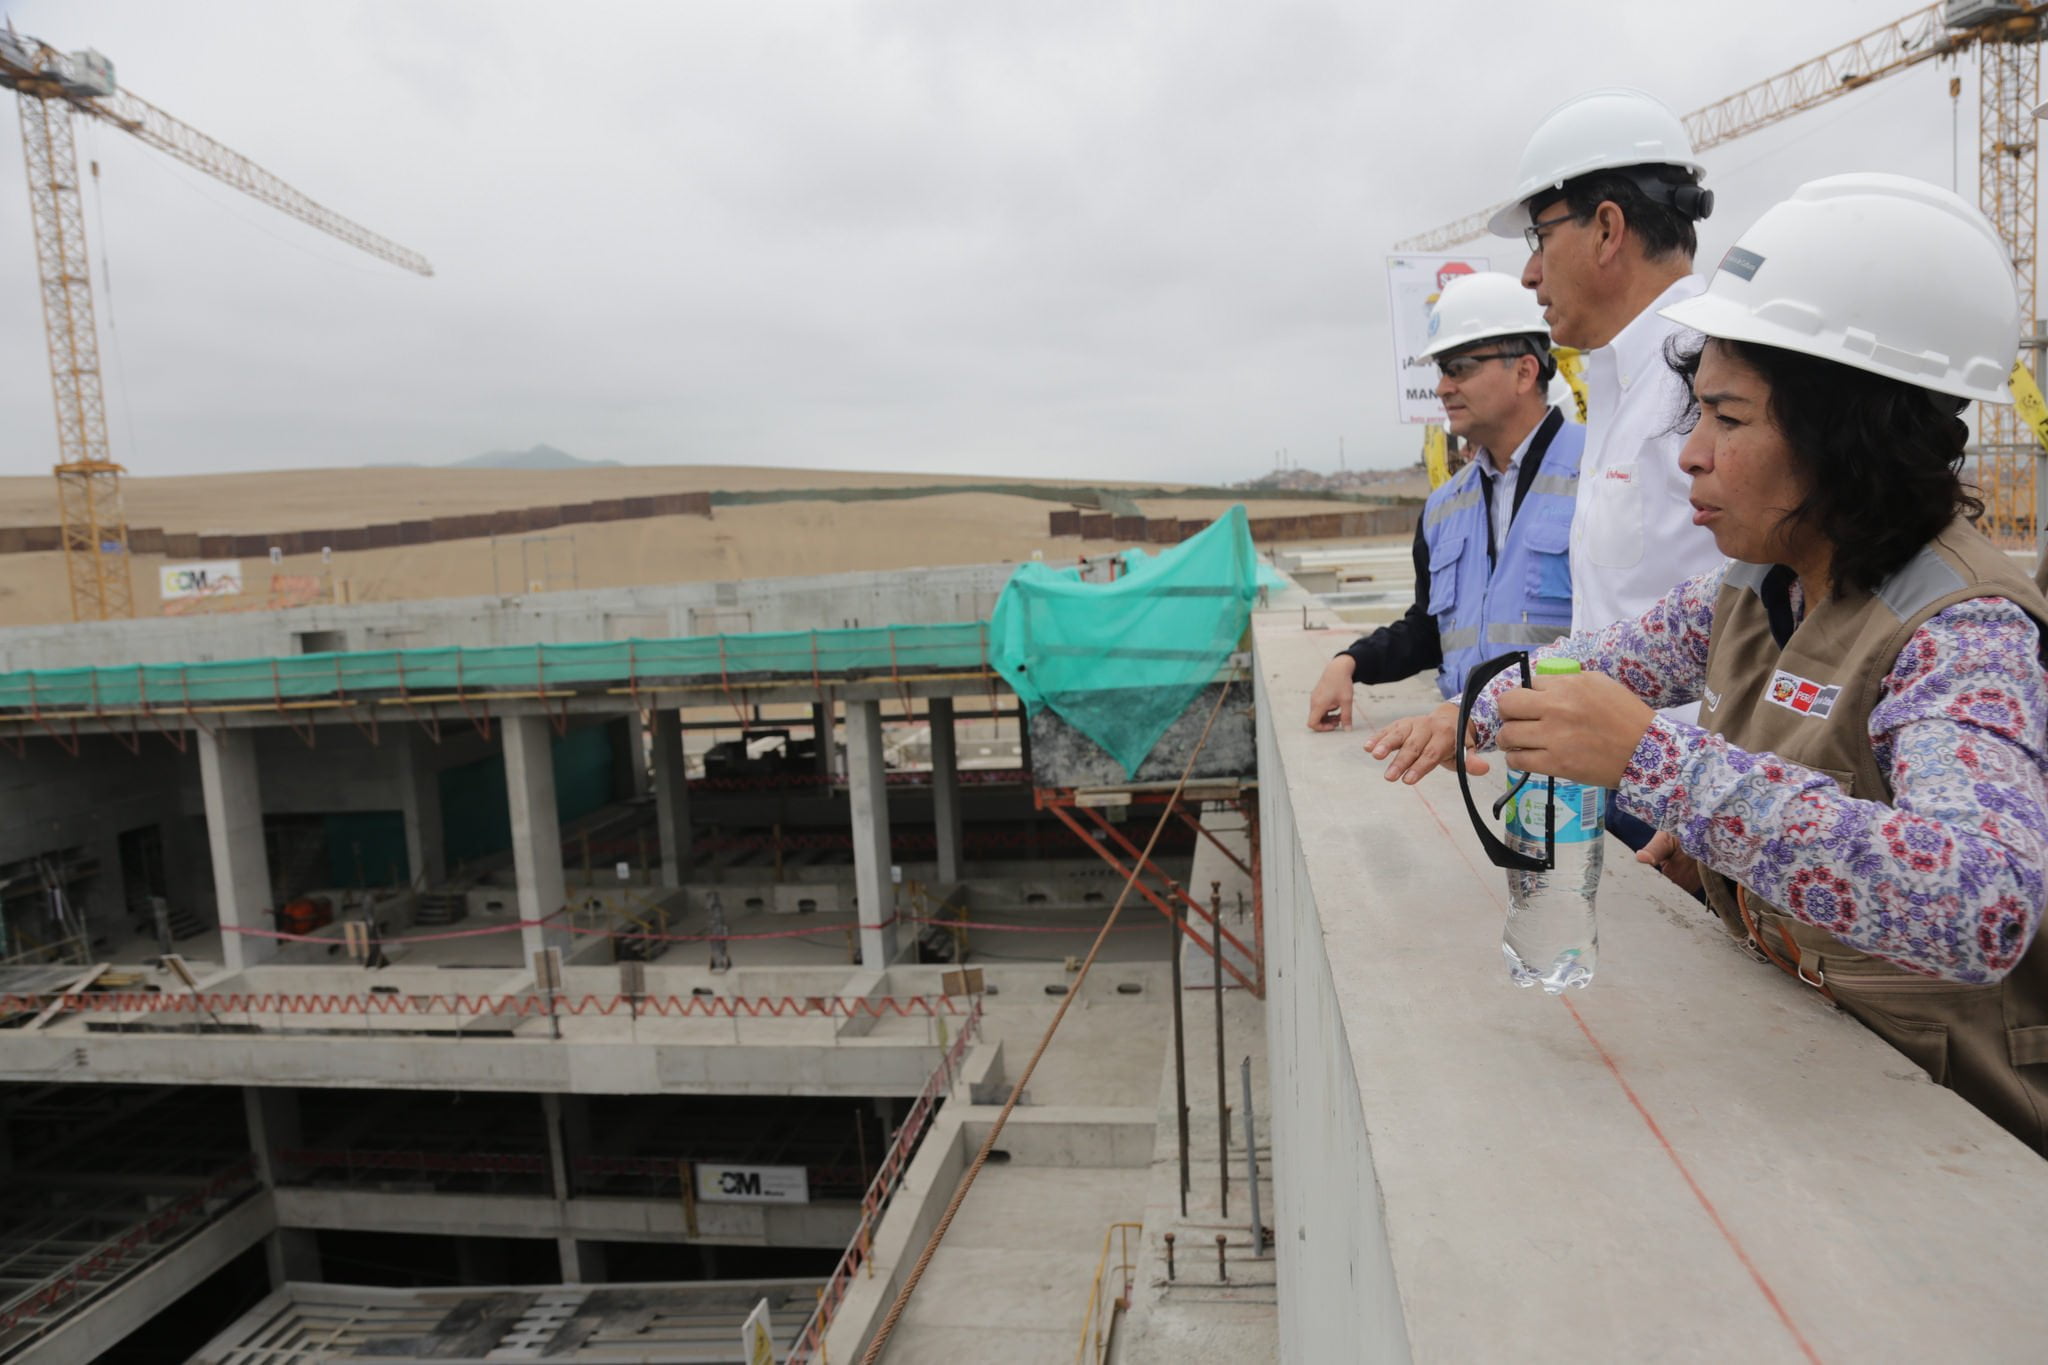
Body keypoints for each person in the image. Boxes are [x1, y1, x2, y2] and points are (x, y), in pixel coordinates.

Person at [1368, 172, 2048, 1154]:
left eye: (1726, 420)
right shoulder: (1764, 582)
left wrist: (1653, 764)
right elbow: (1614, 660)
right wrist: (1478, 706)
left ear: (1842, 436)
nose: (1689, 453)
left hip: (1943, 1138)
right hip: (1819, 1072)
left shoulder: (1962, 630)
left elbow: (1979, 906)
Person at [1493, 88, 1729, 853]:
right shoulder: (1618, 381)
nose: (1529, 273)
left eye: (1538, 236)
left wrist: (1701, 829)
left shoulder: (1713, 378)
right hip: (1612, 788)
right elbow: (1612, 618)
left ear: (1606, 228)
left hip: (1690, 816)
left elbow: (1773, 621)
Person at [1309, 272, 1582, 728]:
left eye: (1460, 368)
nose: (1442, 388)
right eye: (1442, 371)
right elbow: (1431, 630)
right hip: (1467, 752)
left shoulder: (1599, 473)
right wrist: (1351, 662)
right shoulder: (1443, 507)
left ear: (1524, 371)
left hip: (1567, 767)